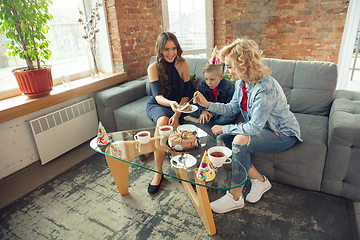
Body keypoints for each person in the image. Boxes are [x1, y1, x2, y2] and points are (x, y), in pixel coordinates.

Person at [193, 38, 302, 213]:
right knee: (221, 139)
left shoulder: (264, 88)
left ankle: (235, 197)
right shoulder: (241, 82)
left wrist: (226, 127)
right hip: (263, 128)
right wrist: (207, 105)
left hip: (282, 133)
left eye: (229, 66)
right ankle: (260, 181)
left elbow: (254, 128)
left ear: (244, 65)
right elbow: (232, 108)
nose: (226, 71)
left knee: (239, 139)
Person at [146, 32, 193, 194]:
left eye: (174, 48)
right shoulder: (153, 68)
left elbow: (186, 95)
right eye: (166, 49)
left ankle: (179, 168)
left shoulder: (183, 65)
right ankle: (158, 172)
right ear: (160, 50)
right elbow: (158, 97)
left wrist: (178, 114)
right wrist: (170, 104)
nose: (171, 53)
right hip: (160, 104)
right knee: (162, 123)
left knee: (171, 125)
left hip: (178, 106)